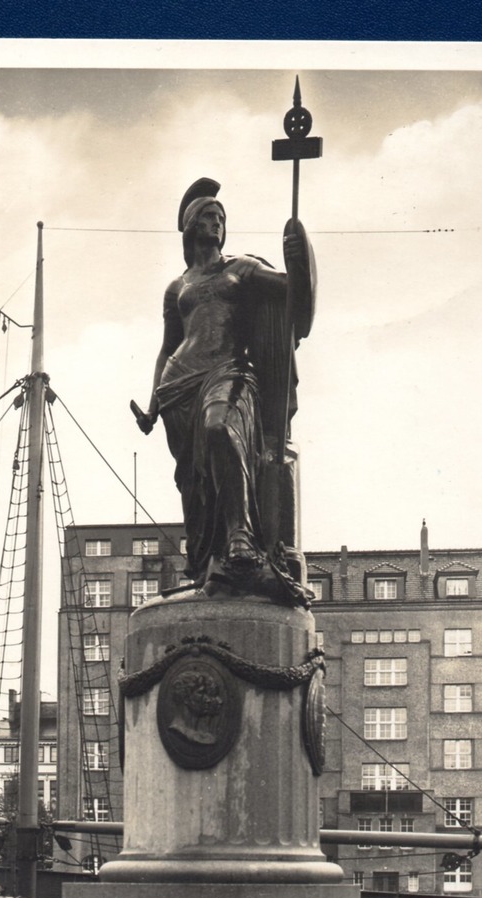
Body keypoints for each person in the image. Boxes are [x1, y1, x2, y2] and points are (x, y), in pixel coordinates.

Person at [136, 179, 313, 600]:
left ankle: (241, 542)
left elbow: (294, 294)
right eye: (209, 216)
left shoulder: (242, 269)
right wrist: (152, 404)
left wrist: (299, 261)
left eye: (222, 218)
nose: (217, 223)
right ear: (191, 225)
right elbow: (166, 348)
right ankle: (208, 564)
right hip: (178, 386)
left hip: (228, 371)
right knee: (196, 486)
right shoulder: (176, 287)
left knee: (221, 430)